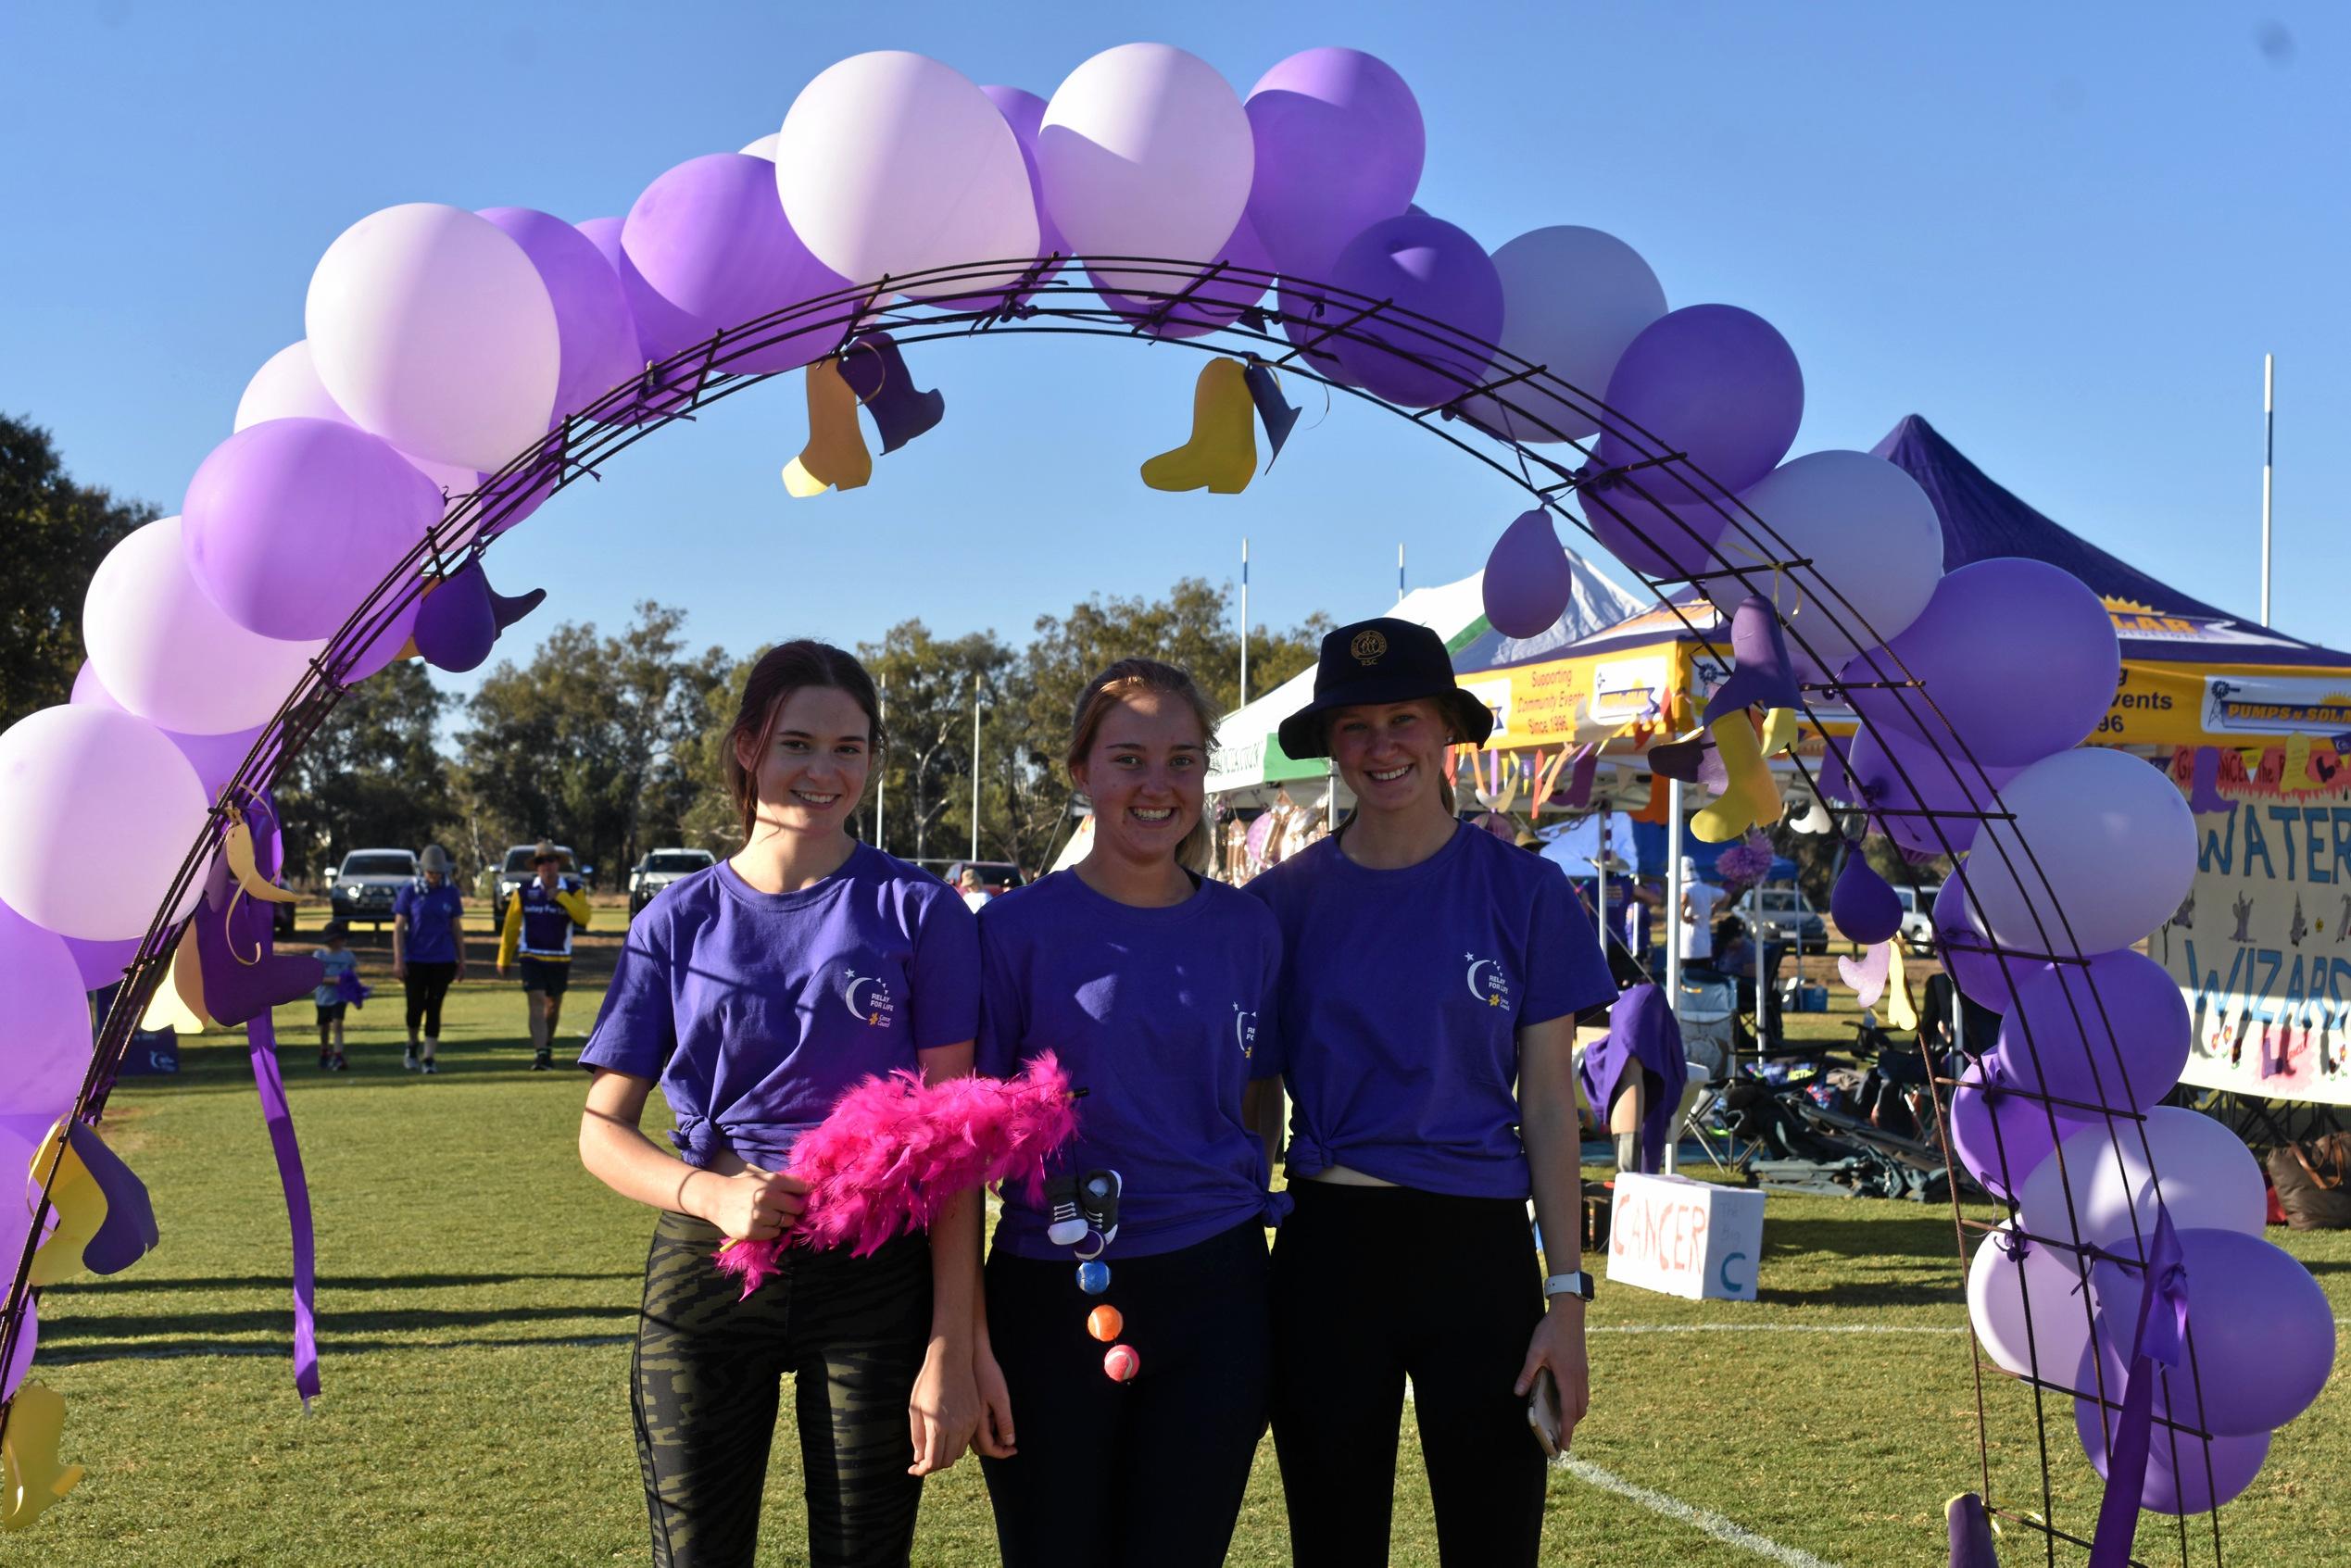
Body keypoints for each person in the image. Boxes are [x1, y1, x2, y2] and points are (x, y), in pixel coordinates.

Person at [576, 640, 984, 1568]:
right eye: (799, 742)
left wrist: (950, 1344)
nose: (824, 770)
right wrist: (710, 1197)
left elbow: (955, 1148)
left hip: (878, 1273)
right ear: (749, 747)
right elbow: (602, 1128)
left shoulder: (923, 912)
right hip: (713, 1262)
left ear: (873, 760)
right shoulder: (673, 921)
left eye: (850, 747)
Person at [1245, 617, 1616, 1568]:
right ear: (1329, 742)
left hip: (1480, 1253)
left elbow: (1547, 1106)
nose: (1382, 746)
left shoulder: (1526, 893)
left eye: (1404, 718)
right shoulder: (1279, 907)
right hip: (1328, 1253)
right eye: (1356, 725)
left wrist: (1566, 1300)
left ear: (1447, 728)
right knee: (1333, 1543)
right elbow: (1255, 1109)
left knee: (1493, 1544)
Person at [973, 659, 1284, 1568]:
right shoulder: (1012, 930)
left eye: (1183, 760)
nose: (1159, 785)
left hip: (1217, 1293)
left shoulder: (1249, 929)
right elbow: (969, 1136)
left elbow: (1259, 1091)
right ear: (1081, 772)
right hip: (1051, 1291)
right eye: (1130, 758)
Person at [497, 841, 592, 1071]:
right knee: (537, 1002)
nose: (546, 865)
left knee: (553, 1006)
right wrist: (504, 957)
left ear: (557, 863)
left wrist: (561, 897)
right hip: (531, 956)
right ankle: (540, 1054)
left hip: (559, 957)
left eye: (550, 860)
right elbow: (511, 926)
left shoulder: (572, 889)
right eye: (541, 861)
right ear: (536, 866)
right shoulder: (525, 891)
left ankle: (547, 1046)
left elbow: (584, 917)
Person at [394, 844, 466, 1073]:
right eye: (430, 872)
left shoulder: (451, 892)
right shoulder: (410, 891)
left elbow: (456, 928)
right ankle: (412, 1044)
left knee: (435, 1007)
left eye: (438, 872)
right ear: (422, 871)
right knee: (415, 1006)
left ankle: (429, 1057)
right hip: (415, 959)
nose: (434, 876)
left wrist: (462, 960)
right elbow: (398, 927)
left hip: (443, 959)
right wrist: (398, 959)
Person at [312, 918, 357, 1072]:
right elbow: (316, 978)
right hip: (323, 998)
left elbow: (352, 974)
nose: (343, 941)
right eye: (340, 938)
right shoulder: (319, 955)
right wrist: (334, 980)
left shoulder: (348, 956)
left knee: (338, 1025)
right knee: (324, 1027)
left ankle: (338, 1055)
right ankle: (324, 1051)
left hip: (340, 997)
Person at [1678, 855, 1723, 969]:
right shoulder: (1705, 888)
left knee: (1685, 982)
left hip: (1686, 948)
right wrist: (1713, 910)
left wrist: (1682, 916)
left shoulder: (1685, 887)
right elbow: (1726, 896)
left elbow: (1683, 898)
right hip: (1704, 948)